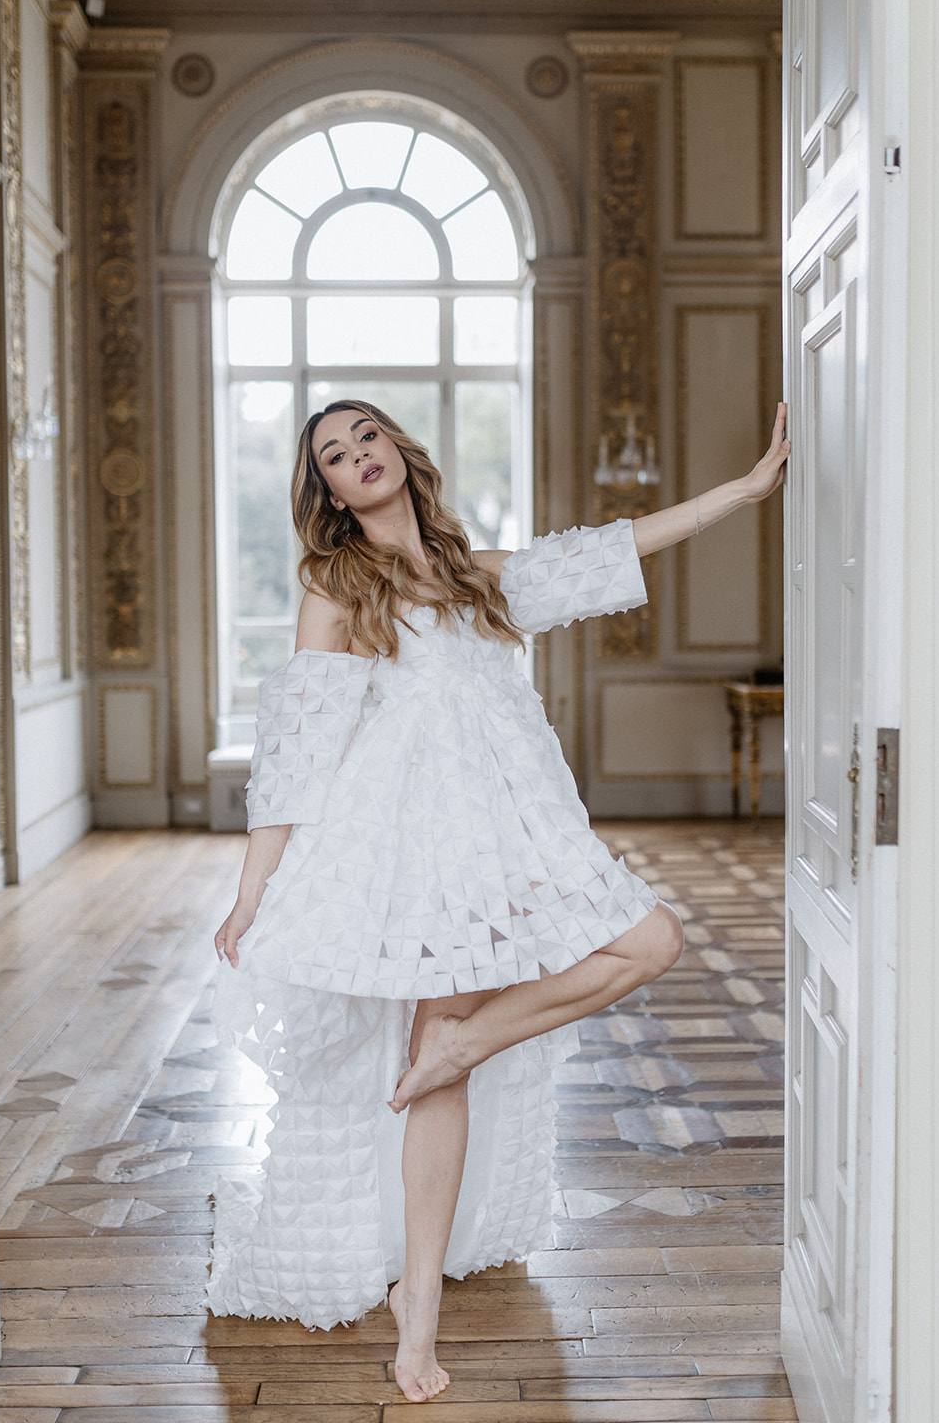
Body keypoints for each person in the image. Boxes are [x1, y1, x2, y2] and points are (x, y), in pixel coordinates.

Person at [209, 397, 790, 1403]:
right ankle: (417, 1317)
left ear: (397, 449)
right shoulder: (335, 586)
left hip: (515, 836)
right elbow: (298, 749)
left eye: (366, 439)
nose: (357, 460)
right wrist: (252, 889)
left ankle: (469, 1043)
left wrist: (741, 491)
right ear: (330, 493)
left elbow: (611, 549)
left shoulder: (480, 577)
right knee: (438, 1053)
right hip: (407, 850)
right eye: (335, 458)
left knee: (648, 940)